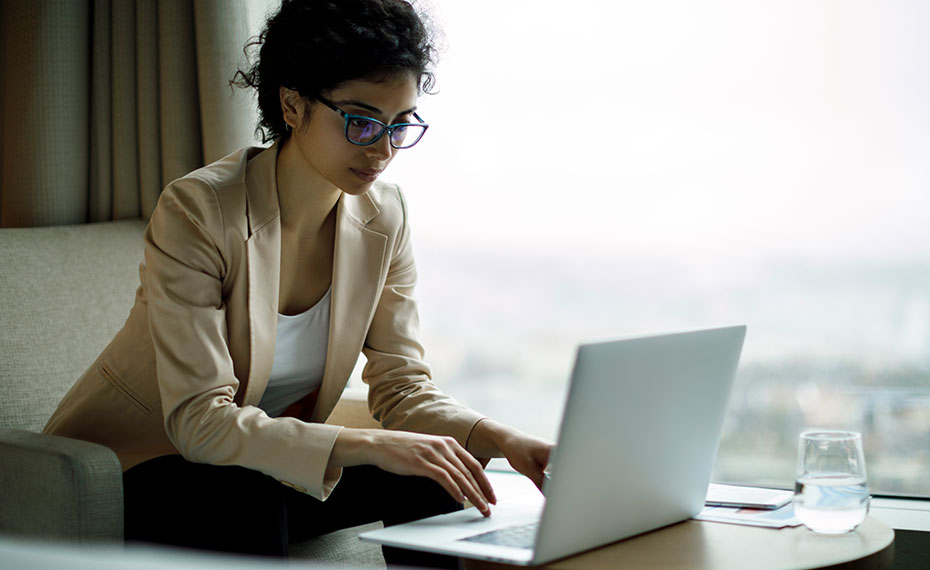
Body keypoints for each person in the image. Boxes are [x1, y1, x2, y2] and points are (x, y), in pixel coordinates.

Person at [43, 0, 552, 566]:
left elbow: (402, 388)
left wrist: (501, 439)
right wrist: (369, 443)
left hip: (255, 466)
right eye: (361, 120)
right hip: (134, 469)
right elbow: (199, 420)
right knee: (245, 495)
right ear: (293, 103)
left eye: (400, 124)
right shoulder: (199, 210)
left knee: (438, 471)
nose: (382, 149)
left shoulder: (385, 216)